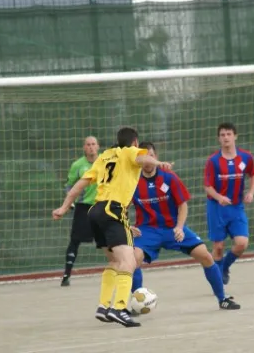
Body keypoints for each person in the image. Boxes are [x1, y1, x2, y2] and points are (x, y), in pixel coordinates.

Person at [52, 127, 173, 327]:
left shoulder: (105, 157)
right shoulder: (130, 152)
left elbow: (81, 184)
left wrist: (64, 207)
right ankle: (119, 308)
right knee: (129, 262)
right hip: (113, 210)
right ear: (135, 143)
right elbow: (144, 159)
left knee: (115, 262)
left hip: (96, 212)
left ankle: (103, 306)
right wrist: (160, 163)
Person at [130, 142, 240, 310]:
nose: (148, 160)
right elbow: (119, 206)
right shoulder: (132, 181)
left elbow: (182, 204)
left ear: (156, 157)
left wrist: (180, 227)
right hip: (147, 230)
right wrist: (128, 226)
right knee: (133, 259)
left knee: (205, 255)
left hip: (172, 228)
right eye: (144, 156)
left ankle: (222, 298)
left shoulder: (169, 177)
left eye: (151, 155)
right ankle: (136, 303)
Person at [204, 122, 254, 285]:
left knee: (242, 243)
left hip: (236, 207)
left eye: (228, 134)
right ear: (218, 139)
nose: (226, 137)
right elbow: (207, 186)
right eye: (222, 135)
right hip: (217, 208)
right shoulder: (213, 161)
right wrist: (219, 197)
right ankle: (218, 279)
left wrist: (250, 192)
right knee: (218, 247)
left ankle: (225, 267)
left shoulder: (245, 157)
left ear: (235, 136)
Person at [58, 136, 100, 287]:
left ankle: (120, 270)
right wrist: (70, 203)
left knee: (111, 241)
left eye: (93, 144)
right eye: (88, 144)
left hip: (102, 206)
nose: (91, 147)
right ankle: (66, 275)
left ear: (98, 146)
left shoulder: (105, 162)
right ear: (84, 147)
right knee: (75, 240)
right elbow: (69, 186)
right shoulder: (78, 165)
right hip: (83, 207)